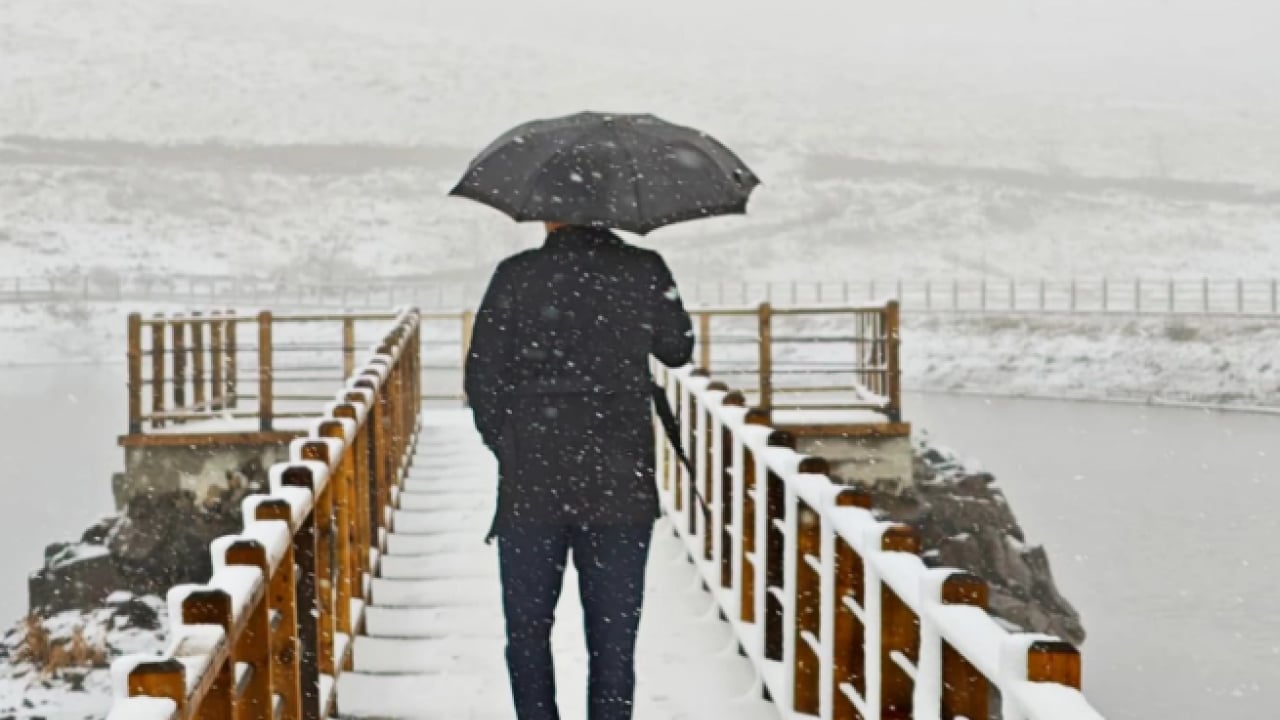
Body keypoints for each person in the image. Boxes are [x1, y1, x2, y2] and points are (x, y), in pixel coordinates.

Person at [464, 222, 693, 720]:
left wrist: (511, 445)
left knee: (526, 634)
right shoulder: (644, 269)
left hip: (532, 485)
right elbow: (677, 348)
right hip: (621, 482)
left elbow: (481, 378)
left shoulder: (516, 275)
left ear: (546, 216)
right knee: (613, 641)